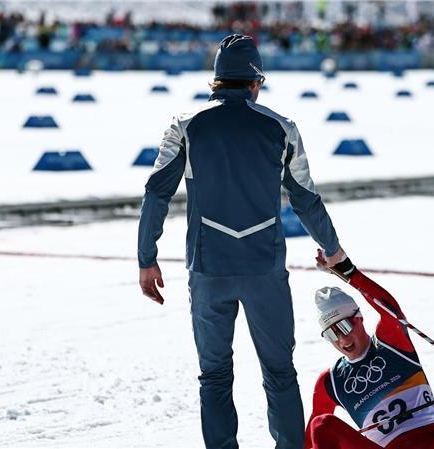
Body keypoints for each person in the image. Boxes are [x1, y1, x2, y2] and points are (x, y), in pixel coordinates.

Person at [137, 34, 347, 449]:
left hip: (208, 269)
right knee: (279, 373)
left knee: (214, 375)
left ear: (216, 81)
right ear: (256, 82)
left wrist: (147, 257)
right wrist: (333, 249)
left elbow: (156, 193)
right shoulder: (282, 128)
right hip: (264, 270)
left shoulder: (185, 126)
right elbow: (305, 198)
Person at [305, 253, 434, 449]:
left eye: (345, 326)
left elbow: (390, 310)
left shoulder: (390, 342)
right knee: (321, 425)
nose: (342, 339)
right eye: (331, 334)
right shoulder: (331, 382)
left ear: (359, 318)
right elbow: (307, 441)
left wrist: (349, 272)